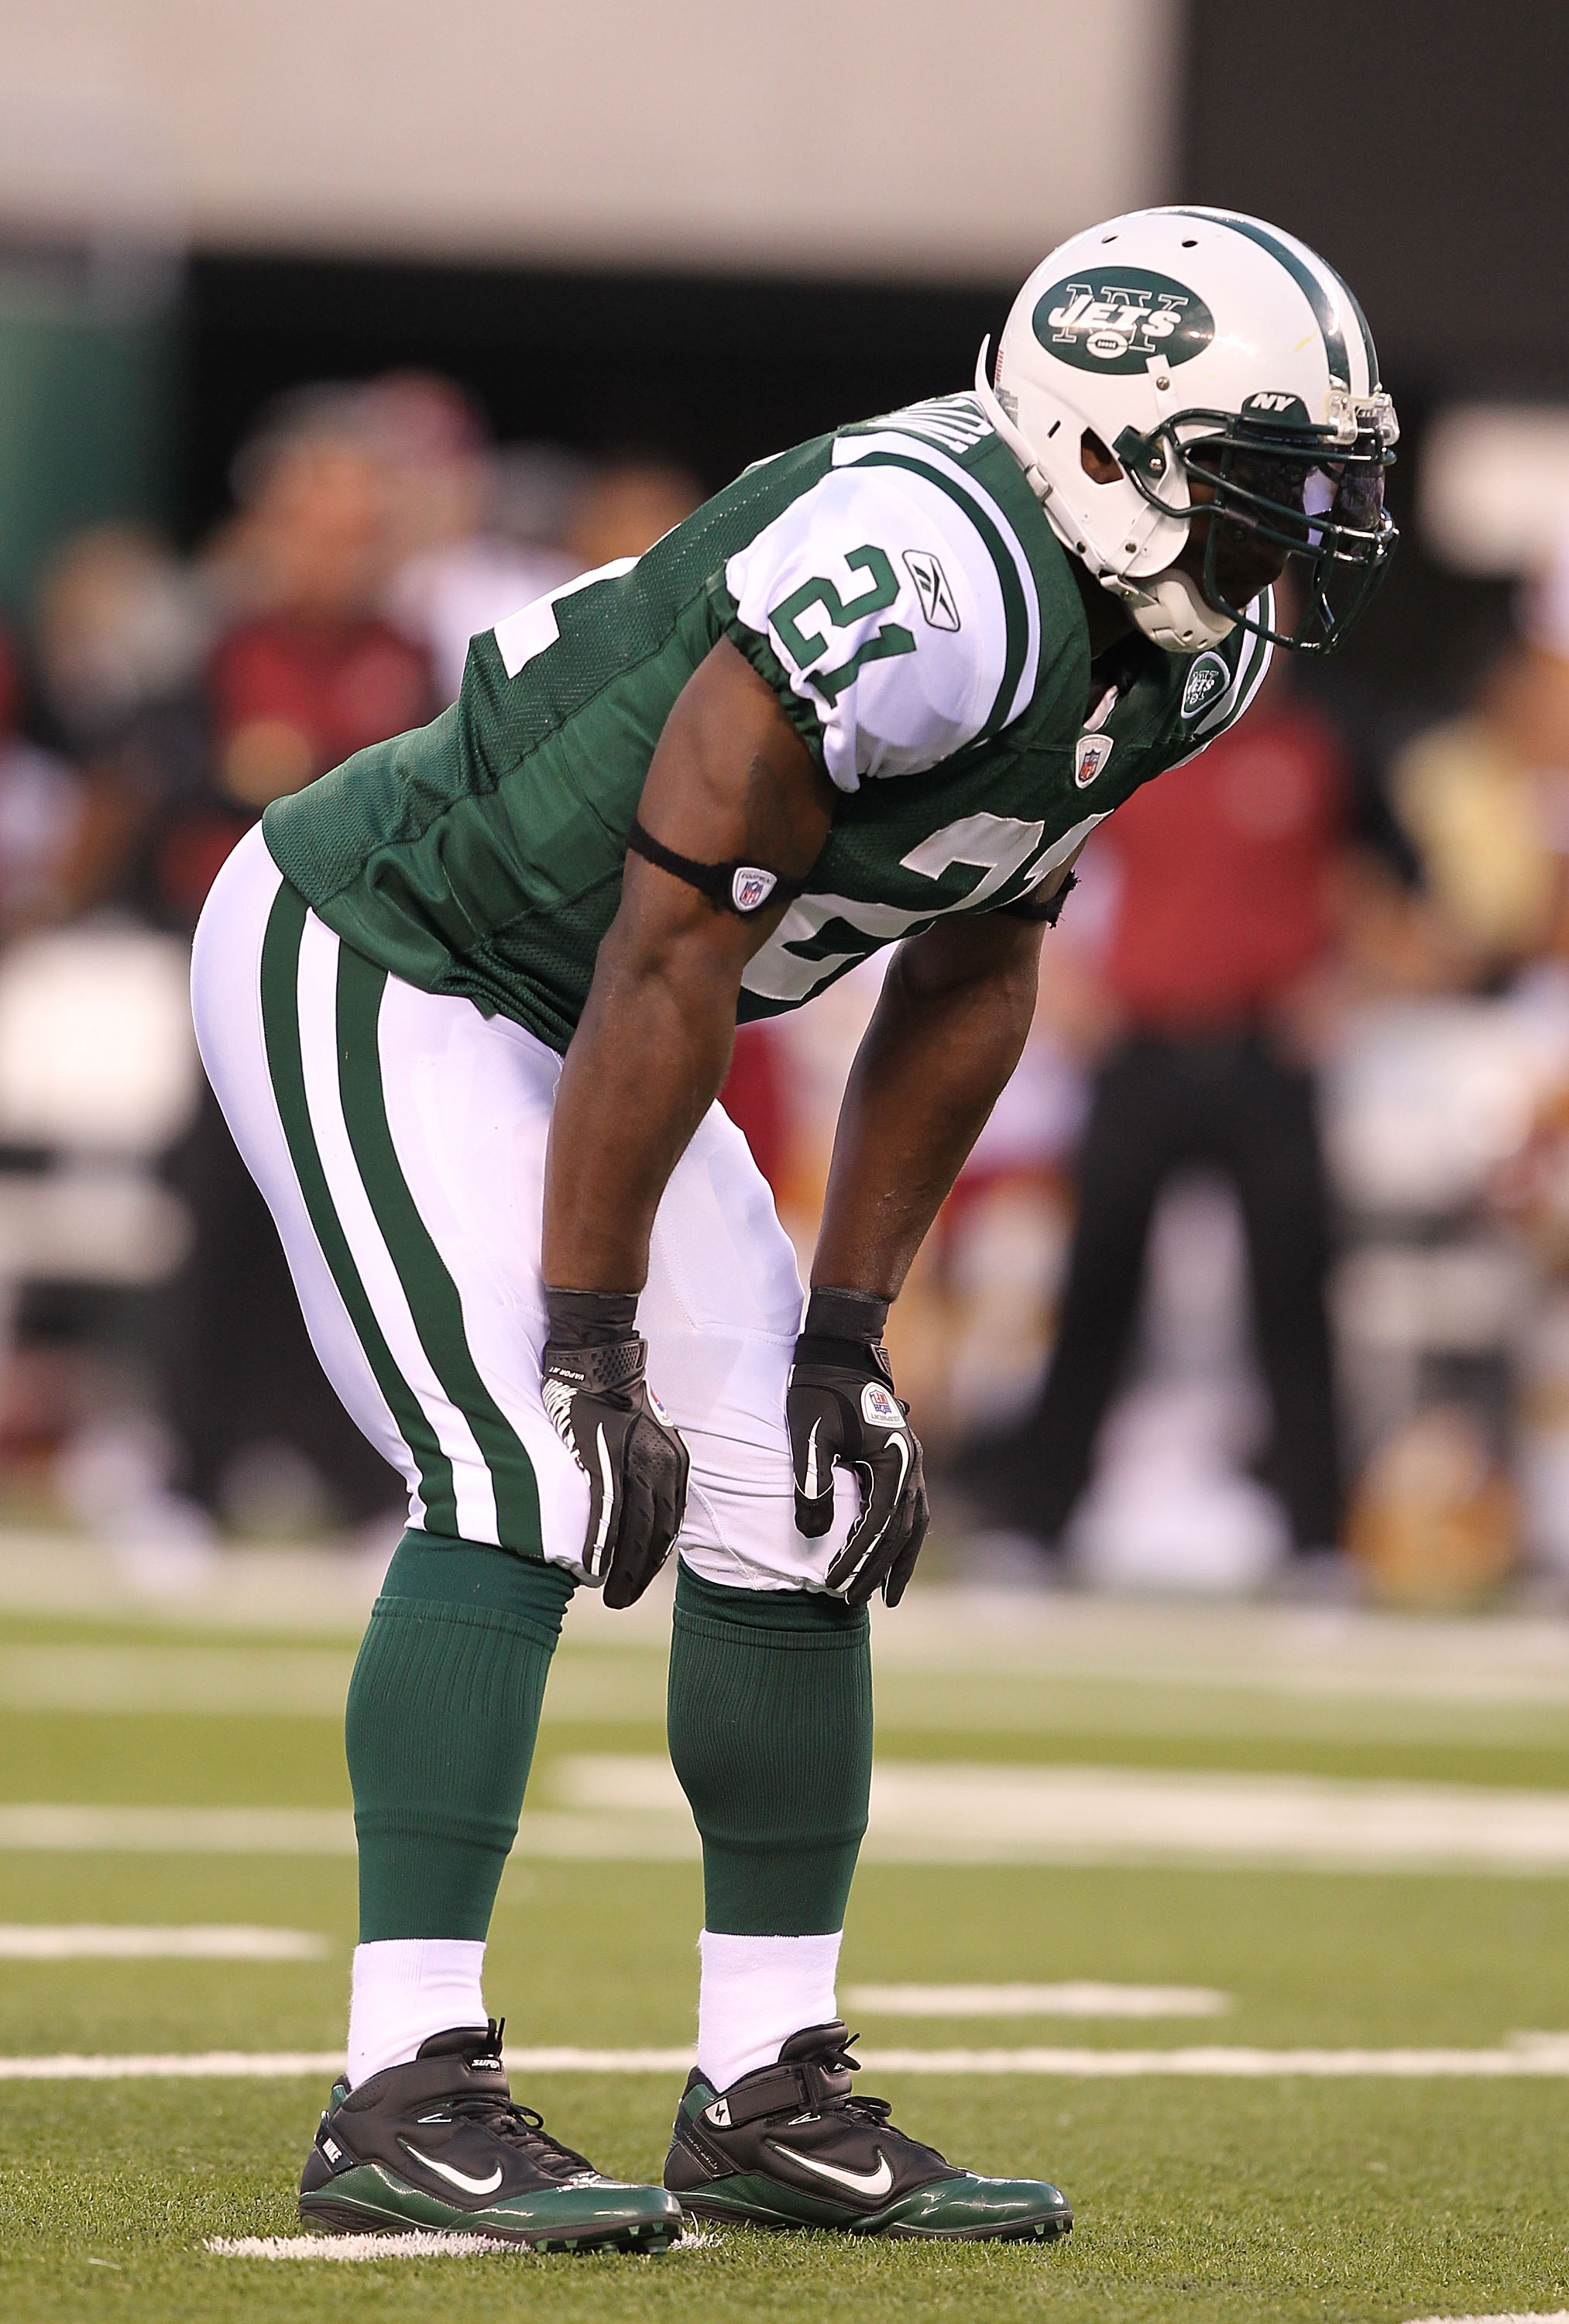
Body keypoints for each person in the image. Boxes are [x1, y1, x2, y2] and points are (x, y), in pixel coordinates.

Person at [191, 206, 1397, 2252]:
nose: (1284, 547)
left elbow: (971, 964)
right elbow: (670, 944)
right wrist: (588, 1330)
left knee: (805, 1489)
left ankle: (766, 2081)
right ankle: (401, 2079)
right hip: (397, 944)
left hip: (618, 1009)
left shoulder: (1185, 645)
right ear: (1101, 452)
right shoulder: (916, 573)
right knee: (517, 1457)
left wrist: (852, 1337)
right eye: (1254, 492)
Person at [952, 621, 1362, 1569]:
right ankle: (1036, 1521)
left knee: (1294, 1291)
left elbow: (1374, 878)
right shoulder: (1146, 737)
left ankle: (1317, 1538)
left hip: (1265, 1051)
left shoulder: (1314, 749)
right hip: (1144, 1047)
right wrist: (1071, 988)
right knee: (1096, 1282)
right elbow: (1054, 854)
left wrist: (1340, 981)